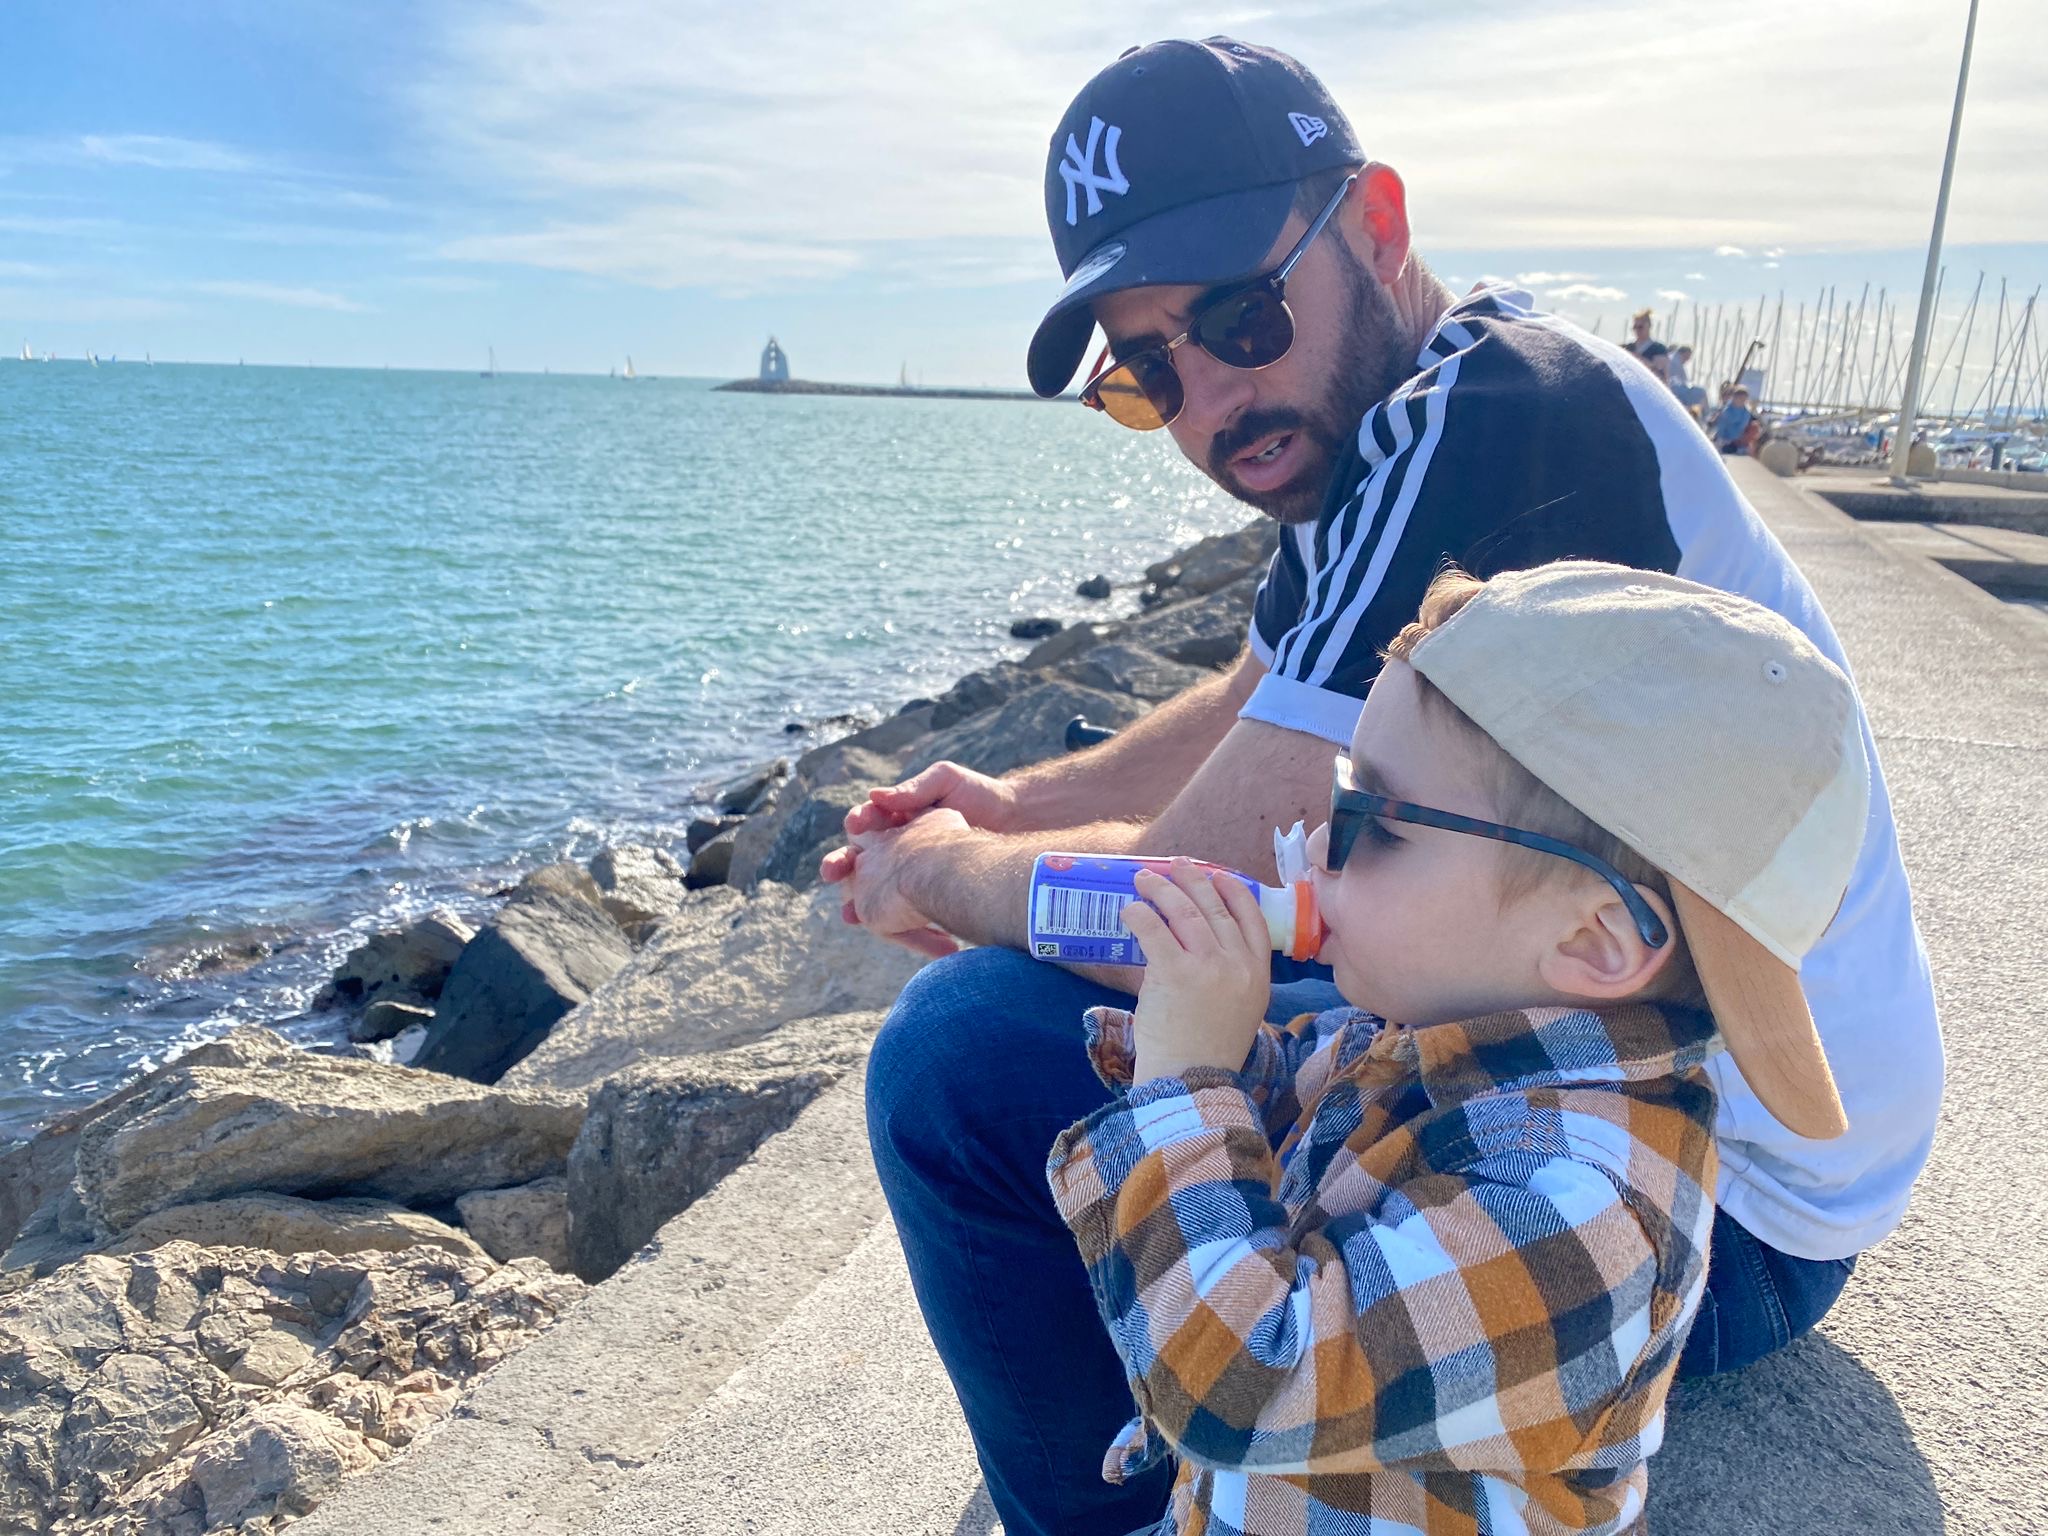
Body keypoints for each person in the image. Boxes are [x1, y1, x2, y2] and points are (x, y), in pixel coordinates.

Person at [832, 37, 1941, 1536]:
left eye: (1239, 316)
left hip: (1730, 1190)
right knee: (1200, 1006)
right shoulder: (1375, 426)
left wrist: (935, 873)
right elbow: (1259, 691)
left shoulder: (1498, 414)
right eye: (1149, 370)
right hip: (1637, 1042)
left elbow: (1185, 895)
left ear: (1378, 224)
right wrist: (1010, 803)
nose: (1210, 400)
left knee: (961, 1053)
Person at [1050, 560, 1867, 1535]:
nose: (1316, 843)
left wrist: (1184, 1084)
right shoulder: (1430, 1031)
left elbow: (1245, 1389)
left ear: (1592, 939)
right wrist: (1201, 1037)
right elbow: (1302, 1102)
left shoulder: (1580, 1212)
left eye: (1371, 821)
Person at [1714, 385, 1756, 454]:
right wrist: (1721, 438)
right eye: (1739, 398)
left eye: (1744, 399)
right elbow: (1721, 426)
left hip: (1737, 441)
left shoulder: (1746, 413)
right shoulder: (1726, 410)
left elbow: (1742, 427)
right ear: (1734, 397)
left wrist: (1736, 439)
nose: (1741, 401)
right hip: (1723, 438)